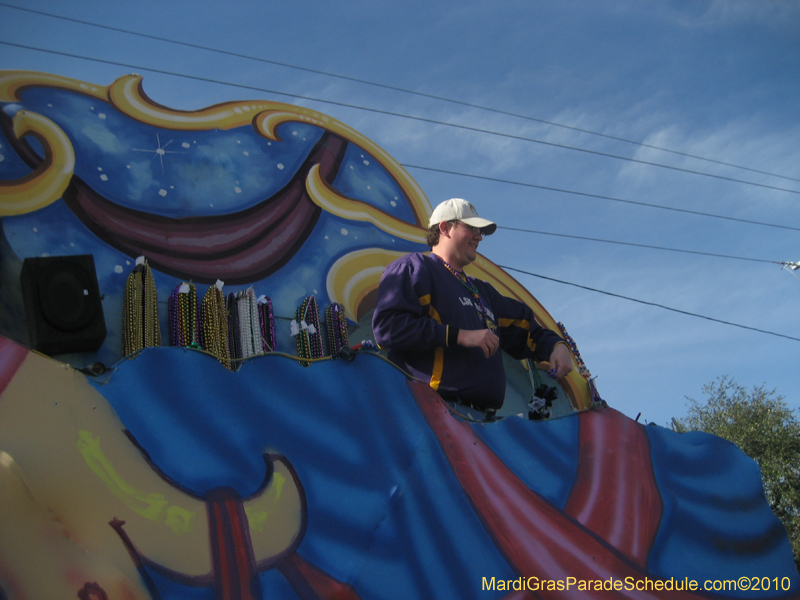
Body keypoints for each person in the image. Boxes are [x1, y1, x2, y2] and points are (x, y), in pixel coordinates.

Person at [372, 198, 573, 419]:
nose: (479, 237)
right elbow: (388, 328)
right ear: (445, 227)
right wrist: (460, 336)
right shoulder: (415, 267)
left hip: (483, 423)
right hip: (430, 414)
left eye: (481, 232)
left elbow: (526, 328)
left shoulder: (484, 292)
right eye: (471, 228)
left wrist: (557, 346)